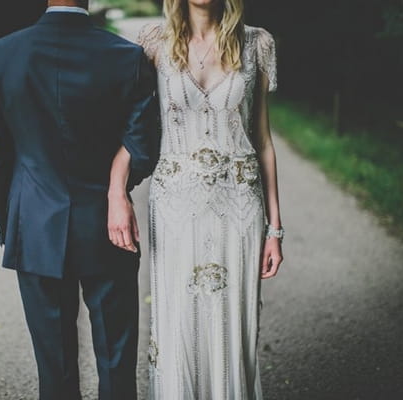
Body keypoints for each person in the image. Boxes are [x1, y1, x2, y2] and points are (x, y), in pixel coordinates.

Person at [0, 1, 160, 399]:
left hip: (35, 226)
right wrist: (117, 189)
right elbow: (143, 147)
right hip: (109, 226)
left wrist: (9, 222)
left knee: (54, 369)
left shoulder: (1, 55)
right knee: (116, 360)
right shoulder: (126, 57)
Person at [131, 0, 284, 398]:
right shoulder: (153, 43)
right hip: (174, 207)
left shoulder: (257, 44)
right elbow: (137, 126)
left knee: (232, 322)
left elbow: (264, 141)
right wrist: (116, 188)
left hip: (239, 203)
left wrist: (275, 229)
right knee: (178, 319)